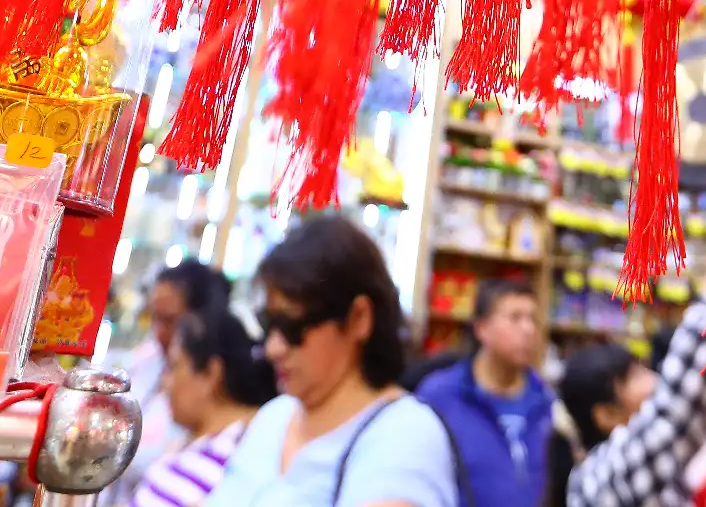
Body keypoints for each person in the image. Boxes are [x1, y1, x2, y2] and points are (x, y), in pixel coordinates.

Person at [208, 216, 462, 507]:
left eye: (293, 327)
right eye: (269, 323)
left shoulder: (405, 436)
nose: (273, 349)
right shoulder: (275, 416)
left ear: (358, 319)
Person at [564, 303, 706, 507]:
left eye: (643, 368)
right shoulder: (594, 481)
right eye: (635, 376)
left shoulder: (671, 465)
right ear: (607, 415)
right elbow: (673, 416)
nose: (653, 380)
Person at [416, 280, 553, 507]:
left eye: (533, 319)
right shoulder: (440, 396)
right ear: (482, 328)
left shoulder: (547, 402)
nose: (528, 330)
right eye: (515, 318)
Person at [131, 299, 278, 507]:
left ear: (211, 373)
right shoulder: (198, 443)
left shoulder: (236, 458)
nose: (166, 383)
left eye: (174, 366)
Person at [113, 260, 233, 500]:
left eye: (168, 320)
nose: (158, 331)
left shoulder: (206, 388)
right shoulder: (148, 358)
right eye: (153, 318)